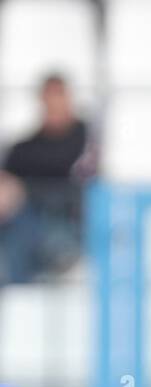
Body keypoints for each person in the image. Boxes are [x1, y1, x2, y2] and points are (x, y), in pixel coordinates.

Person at [0, 74, 96, 287]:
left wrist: (21, 191)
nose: (54, 104)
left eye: (58, 97)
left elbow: (76, 177)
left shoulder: (86, 139)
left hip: (65, 227)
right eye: (49, 98)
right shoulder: (24, 147)